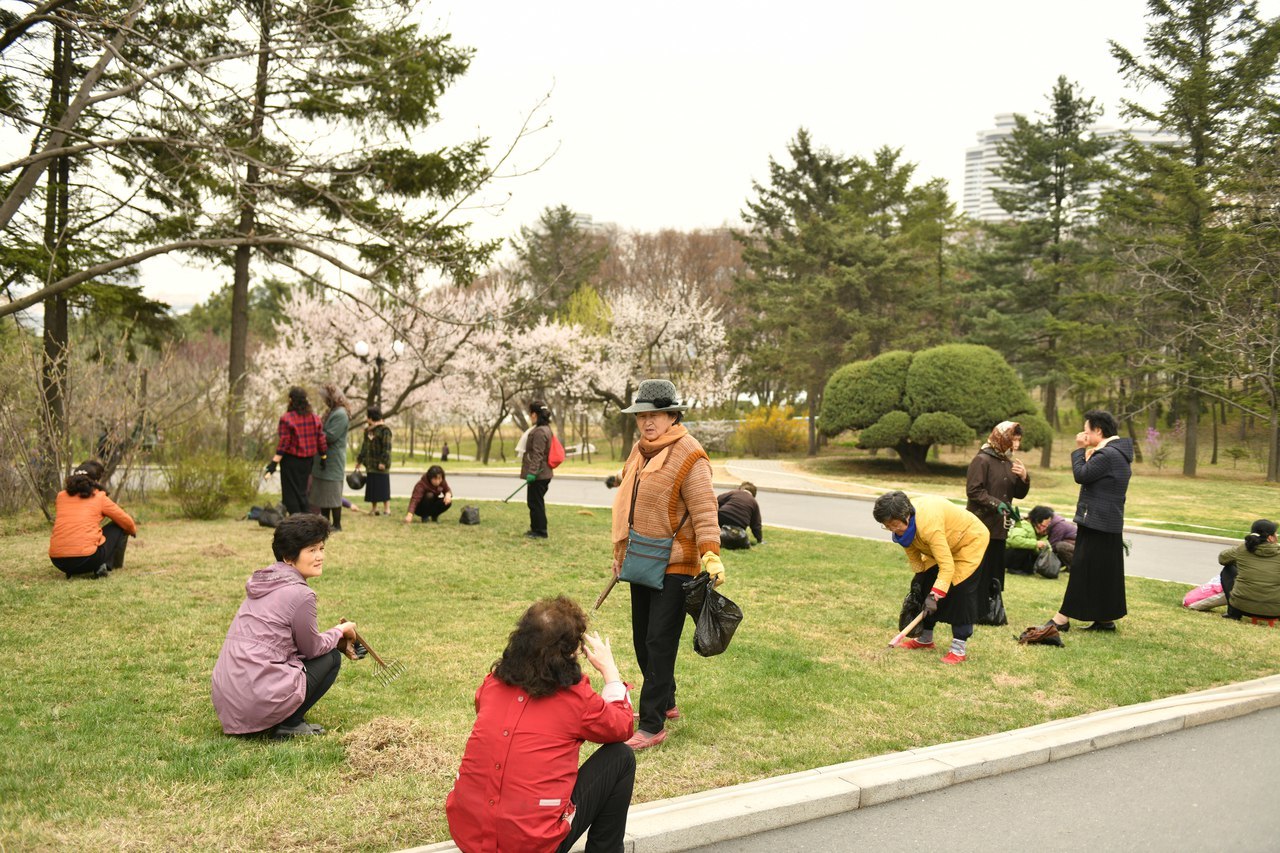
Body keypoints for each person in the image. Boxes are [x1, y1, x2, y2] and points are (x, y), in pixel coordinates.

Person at [446, 596, 636, 852]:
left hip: (470, 838)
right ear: (568, 653)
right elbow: (622, 726)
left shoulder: (491, 685)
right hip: (533, 844)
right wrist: (610, 671)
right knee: (621, 757)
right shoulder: (575, 698)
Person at [609, 379, 722, 750]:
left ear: (673, 415)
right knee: (643, 638)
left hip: (677, 561)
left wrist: (710, 553)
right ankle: (667, 700)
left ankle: (653, 722)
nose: (647, 422)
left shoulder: (690, 454)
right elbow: (628, 504)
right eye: (641, 415)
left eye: (655, 414)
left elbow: (705, 509)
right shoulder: (640, 450)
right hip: (642, 558)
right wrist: (620, 554)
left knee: (659, 641)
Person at [211, 514, 358, 739]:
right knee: (331, 659)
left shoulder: (265, 582)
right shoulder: (301, 594)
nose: (320, 556)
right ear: (289, 557)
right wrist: (340, 631)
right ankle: (290, 723)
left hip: (229, 700)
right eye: (311, 550)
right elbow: (311, 649)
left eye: (321, 548)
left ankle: (276, 717)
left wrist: (336, 640)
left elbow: (288, 644)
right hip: (255, 697)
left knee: (325, 653)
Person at [1022, 409, 1134, 644]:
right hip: (1108, 522)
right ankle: (1105, 620)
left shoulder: (1108, 455)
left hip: (1096, 522)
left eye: (1086, 430)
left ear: (1098, 431)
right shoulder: (1119, 453)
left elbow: (1081, 474)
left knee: (1082, 570)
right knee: (1105, 573)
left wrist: (1080, 450)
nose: (1083, 434)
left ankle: (1061, 619)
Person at [873, 490, 989, 665]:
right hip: (943, 544)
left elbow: (947, 566)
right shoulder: (903, 528)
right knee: (925, 585)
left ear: (906, 515)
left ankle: (958, 648)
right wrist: (919, 578)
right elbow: (913, 553)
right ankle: (925, 639)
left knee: (960, 591)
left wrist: (935, 595)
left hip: (968, 541)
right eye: (887, 526)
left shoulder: (929, 526)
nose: (892, 529)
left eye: (894, 524)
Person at [965, 420, 1030, 624]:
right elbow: (974, 491)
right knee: (978, 569)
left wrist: (1024, 478)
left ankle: (990, 611)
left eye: (1018, 440)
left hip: (1000, 527)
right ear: (1001, 438)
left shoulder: (1009, 462)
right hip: (980, 524)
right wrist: (997, 504)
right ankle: (973, 610)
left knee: (994, 569)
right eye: (1013, 439)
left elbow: (1018, 494)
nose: (1016, 445)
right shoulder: (981, 460)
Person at [48, 459, 137, 579]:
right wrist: (132, 531)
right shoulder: (99, 497)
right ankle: (108, 565)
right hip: (87, 559)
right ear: (94, 481)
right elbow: (126, 521)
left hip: (58, 561)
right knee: (120, 525)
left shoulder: (61, 497)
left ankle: (73, 570)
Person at [266, 386, 328, 516]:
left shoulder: (287, 419)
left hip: (291, 461)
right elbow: (321, 439)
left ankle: (298, 521)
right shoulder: (315, 418)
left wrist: (273, 463)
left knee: (290, 494)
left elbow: (284, 443)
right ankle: (306, 519)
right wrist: (323, 456)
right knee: (302, 492)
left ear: (291, 400)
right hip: (307, 462)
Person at [1217, 520, 1280, 625]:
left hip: (1241, 607)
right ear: (1270, 537)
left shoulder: (1243, 550)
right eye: (1275, 534)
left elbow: (1222, 558)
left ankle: (1233, 613)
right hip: (1275, 611)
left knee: (1228, 569)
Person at [308, 383, 350, 531]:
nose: (325, 401)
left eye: (326, 398)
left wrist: (315, 434)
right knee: (323, 494)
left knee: (333, 493)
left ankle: (337, 524)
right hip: (324, 459)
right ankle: (326, 523)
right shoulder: (333, 411)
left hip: (333, 460)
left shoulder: (340, 414)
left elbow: (331, 436)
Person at [520, 400, 554, 540]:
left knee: (535, 503)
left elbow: (537, 454)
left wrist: (532, 473)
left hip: (539, 474)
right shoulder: (546, 429)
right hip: (543, 473)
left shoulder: (540, 431)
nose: (529, 417)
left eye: (530, 414)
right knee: (535, 502)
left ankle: (540, 531)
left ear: (534, 414)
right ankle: (536, 529)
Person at [355, 407, 392, 516]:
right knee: (372, 487)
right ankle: (374, 508)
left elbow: (387, 447)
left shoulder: (385, 430)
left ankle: (387, 509)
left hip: (381, 465)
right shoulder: (368, 430)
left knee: (383, 486)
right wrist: (359, 460)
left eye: (368, 417)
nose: (367, 419)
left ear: (371, 417)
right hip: (370, 464)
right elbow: (364, 447)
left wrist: (383, 462)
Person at [1028, 505, 1077, 572]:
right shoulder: (1052, 525)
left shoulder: (1059, 526)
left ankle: (1073, 568)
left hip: (1076, 549)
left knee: (1060, 546)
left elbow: (1052, 546)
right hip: (1071, 548)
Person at [717, 482, 763, 549]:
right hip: (739, 523)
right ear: (753, 494)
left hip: (722, 516)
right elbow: (756, 524)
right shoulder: (754, 502)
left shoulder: (734, 493)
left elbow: (717, 500)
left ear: (740, 488)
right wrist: (759, 539)